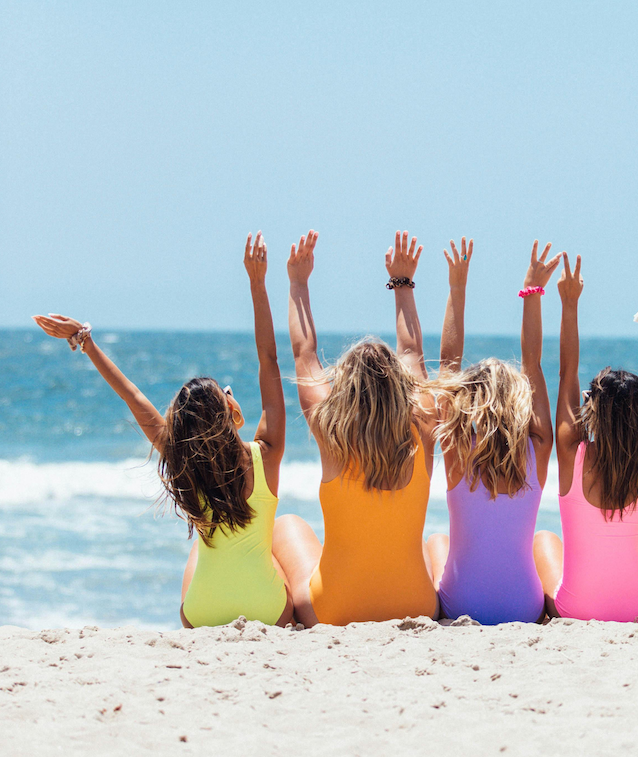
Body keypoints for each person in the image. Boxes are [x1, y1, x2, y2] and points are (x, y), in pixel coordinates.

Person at [33, 233, 293, 628]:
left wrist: (84, 340)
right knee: (276, 544)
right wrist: (257, 285)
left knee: (199, 551)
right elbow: (269, 360)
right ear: (229, 413)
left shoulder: (182, 459)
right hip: (268, 612)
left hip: (199, 613)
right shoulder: (267, 452)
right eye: (226, 393)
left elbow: (132, 396)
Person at [272, 230, 438, 626]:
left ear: (343, 388)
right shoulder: (424, 424)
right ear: (402, 386)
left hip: (334, 610)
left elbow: (304, 353)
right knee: (434, 546)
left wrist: (298, 284)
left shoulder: (330, 434)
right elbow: (412, 351)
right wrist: (402, 282)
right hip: (416, 604)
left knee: (287, 526)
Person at [531, 254, 638, 623]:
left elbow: (566, 369)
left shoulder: (572, 452)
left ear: (594, 410)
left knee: (544, 541)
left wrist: (569, 304)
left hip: (578, 609)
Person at [426, 239, 558, 624]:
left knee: (436, 542)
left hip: (461, 604)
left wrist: (457, 288)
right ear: (520, 400)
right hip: (526, 607)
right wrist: (532, 291)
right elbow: (532, 363)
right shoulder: (538, 448)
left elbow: (447, 366)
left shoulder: (456, 451)